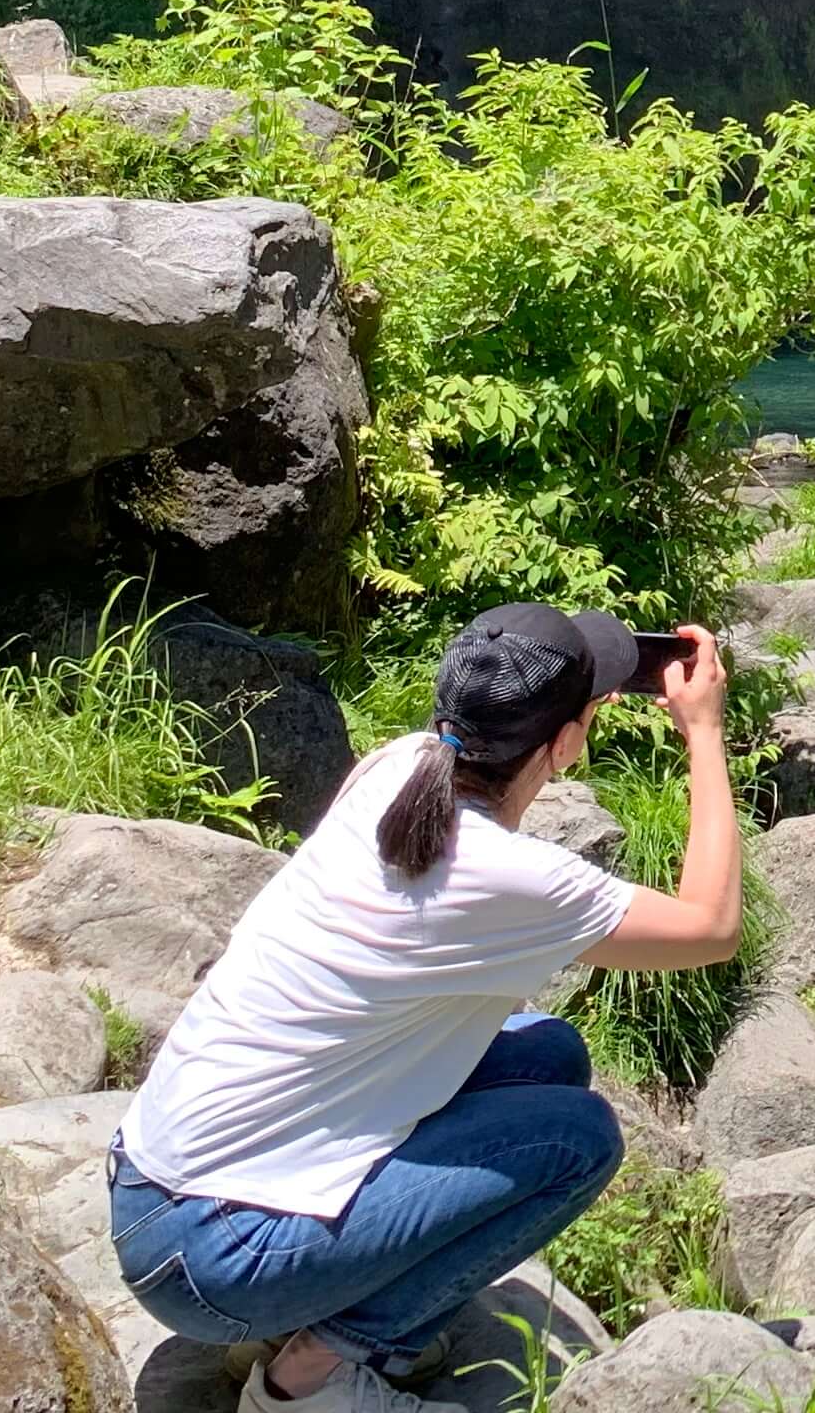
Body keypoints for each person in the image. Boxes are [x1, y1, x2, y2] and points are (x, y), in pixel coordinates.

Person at [106, 604, 747, 1412]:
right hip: (212, 1258)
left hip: (154, 1190)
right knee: (578, 1139)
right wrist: (704, 734)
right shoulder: (510, 877)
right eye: (589, 706)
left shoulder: (398, 766)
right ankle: (312, 1379)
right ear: (564, 745)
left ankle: (317, 1304)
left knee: (547, 1057)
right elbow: (711, 927)